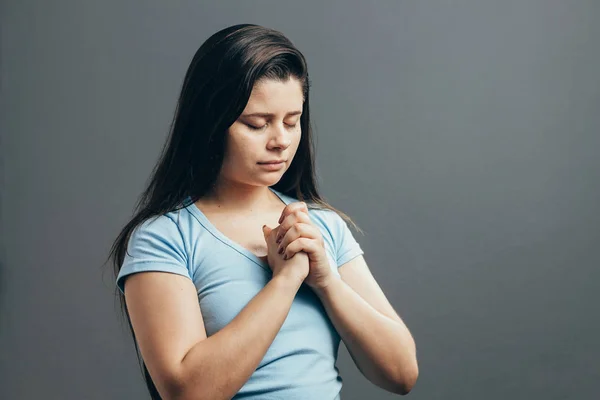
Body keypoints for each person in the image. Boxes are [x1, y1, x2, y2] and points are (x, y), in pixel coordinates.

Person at [106, 24, 418, 400]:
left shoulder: (322, 228)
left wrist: (326, 282)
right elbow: (186, 392)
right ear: (210, 123)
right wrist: (284, 283)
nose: (281, 141)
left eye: (292, 121)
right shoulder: (165, 238)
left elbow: (401, 373)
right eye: (257, 124)